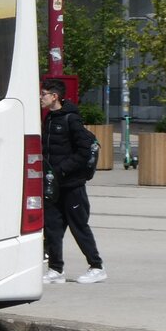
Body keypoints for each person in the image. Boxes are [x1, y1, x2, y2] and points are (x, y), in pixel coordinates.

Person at [40, 78, 106, 284]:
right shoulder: (49, 118)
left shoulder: (71, 119)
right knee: (52, 227)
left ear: (54, 96)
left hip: (72, 184)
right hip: (54, 184)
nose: (40, 97)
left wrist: (61, 169)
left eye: (43, 94)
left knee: (79, 227)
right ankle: (55, 270)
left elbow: (85, 150)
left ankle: (96, 267)